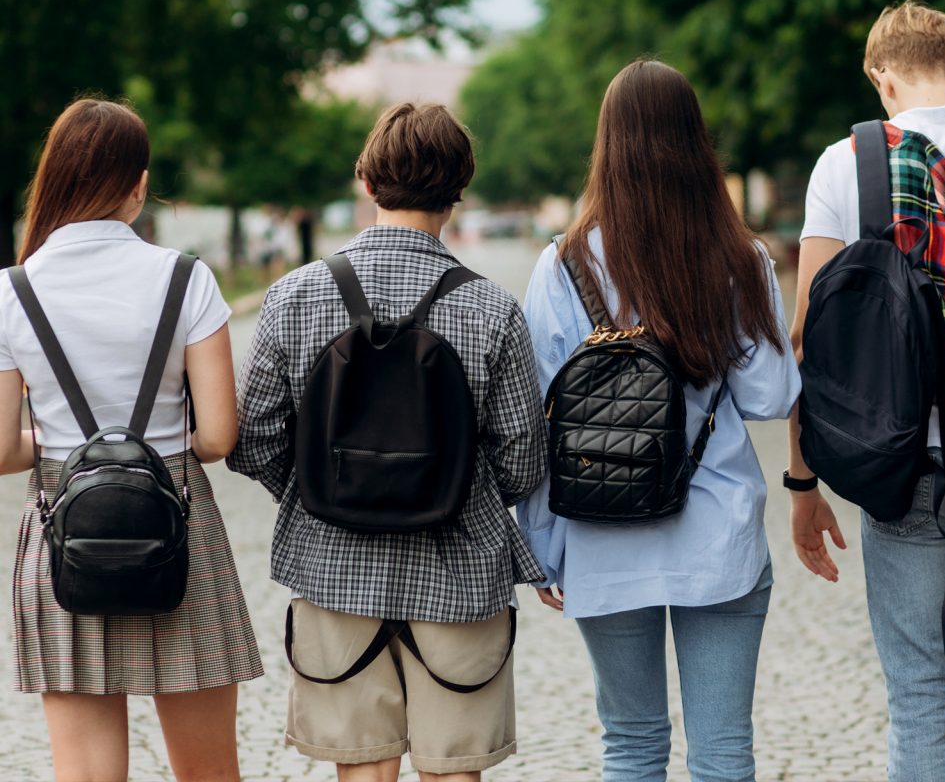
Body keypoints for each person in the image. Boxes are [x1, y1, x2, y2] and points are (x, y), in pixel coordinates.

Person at [229, 102, 547, 782]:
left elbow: (253, 439)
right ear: (458, 193)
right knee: (454, 768)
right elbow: (523, 459)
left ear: (366, 184)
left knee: (363, 768)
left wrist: (325, 489)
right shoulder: (493, 310)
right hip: (460, 572)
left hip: (332, 567)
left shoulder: (294, 296)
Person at [518, 59, 801, 782]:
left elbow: (537, 418)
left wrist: (541, 543)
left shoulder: (563, 265)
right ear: (696, 143)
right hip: (718, 531)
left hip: (599, 532)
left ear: (606, 146)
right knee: (722, 749)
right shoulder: (737, 258)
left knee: (632, 743)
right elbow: (770, 397)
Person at [788, 0, 945, 782]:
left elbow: (808, 338)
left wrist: (803, 478)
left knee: (919, 691)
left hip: (908, 459)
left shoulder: (847, 163)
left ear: (879, 79)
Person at [0, 97, 263, 782]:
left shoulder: (12, 291)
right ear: (140, 184)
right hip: (177, 520)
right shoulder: (186, 279)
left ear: (53, 177)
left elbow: (0, 450)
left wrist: (60, 443)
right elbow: (218, 436)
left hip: (65, 532)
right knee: (210, 774)